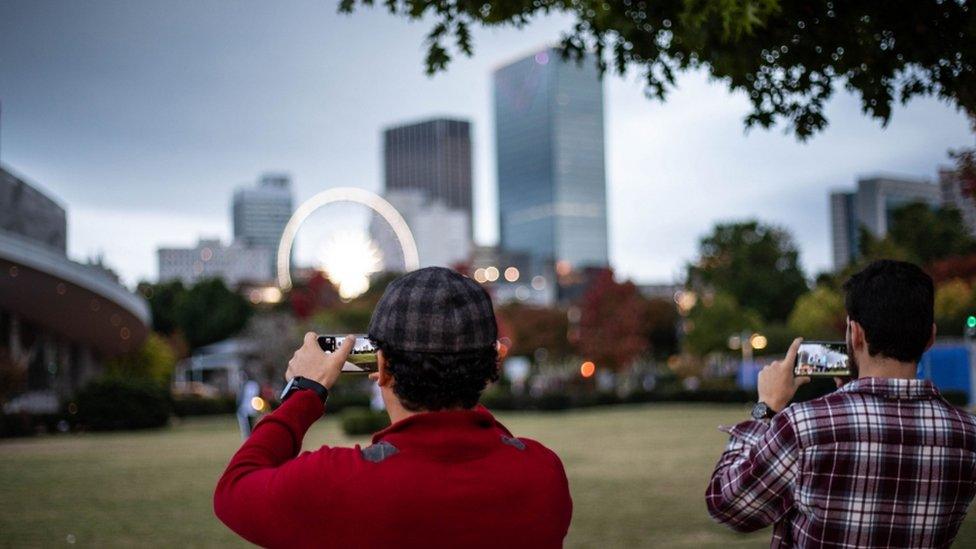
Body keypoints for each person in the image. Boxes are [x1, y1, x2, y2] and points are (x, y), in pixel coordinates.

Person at [214, 267, 572, 548]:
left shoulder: (335, 485)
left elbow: (235, 487)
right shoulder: (544, 475)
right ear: (492, 366)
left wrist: (304, 392)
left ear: (380, 367)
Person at [706, 259, 976, 547]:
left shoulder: (804, 426)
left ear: (856, 333)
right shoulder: (967, 434)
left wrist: (766, 407)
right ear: (930, 338)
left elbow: (728, 504)